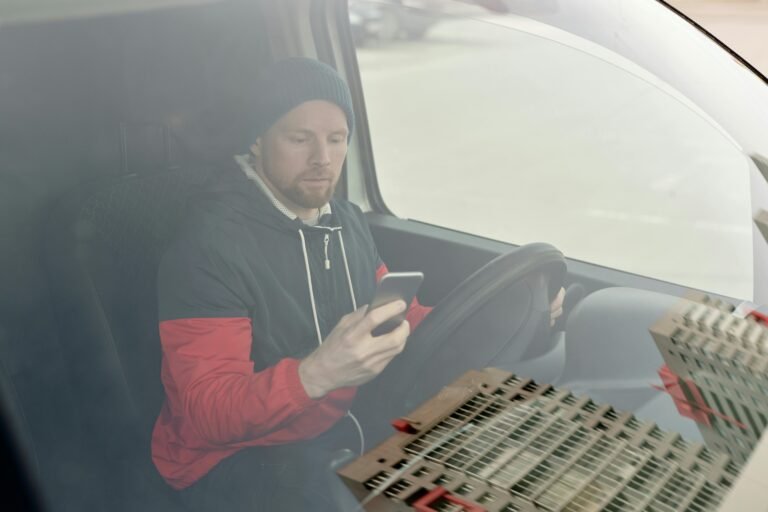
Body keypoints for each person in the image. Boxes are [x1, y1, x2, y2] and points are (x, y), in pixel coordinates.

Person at [151, 57, 565, 511]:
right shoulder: (209, 248)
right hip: (232, 458)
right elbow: (210, 413)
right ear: (257, 140)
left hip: (341, 422)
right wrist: (318, 373)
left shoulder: (344, 220)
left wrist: (513, 315)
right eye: (299, 138)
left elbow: (399, 318)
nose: (322, 159)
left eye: (336, 138)